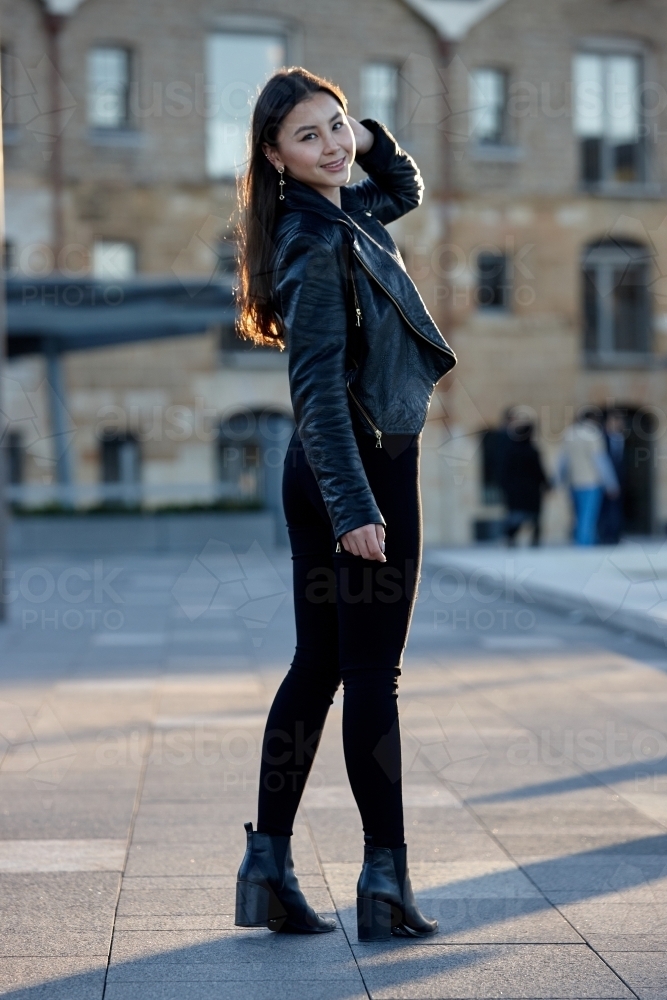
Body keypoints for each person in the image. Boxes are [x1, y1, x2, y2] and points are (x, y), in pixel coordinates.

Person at [232, 68, 456, 941]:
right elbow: (316, 388)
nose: (331, 147)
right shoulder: (310, 239)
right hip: (355, 470)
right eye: (308, 137)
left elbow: (403, 184)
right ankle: (384, 881)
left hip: (342, 473)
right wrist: (356, 506)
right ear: (273, 157)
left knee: (318, 670)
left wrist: (360, 133)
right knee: (368, 676)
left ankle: (268, 869)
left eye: (335, 129)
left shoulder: (343, 213)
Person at [557, 408, 619, 546]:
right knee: (588, 517)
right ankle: (584, 544)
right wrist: (611, 483)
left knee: (578, 516)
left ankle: (580, 541)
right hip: (591, 482)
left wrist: (559, 479)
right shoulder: (594, 435)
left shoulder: (570, 434)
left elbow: (562, 460)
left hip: (573, 482)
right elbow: (600, 461)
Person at [498, 418, 549, 546]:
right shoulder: (531, 451)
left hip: (516, 491)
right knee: (533, 517)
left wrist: (504, 486)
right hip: (531, 490)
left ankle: (511, 537)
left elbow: (503, 471)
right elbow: (539, 471)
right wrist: (547, 484)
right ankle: (534, 541)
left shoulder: (510, 451)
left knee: (516, 516)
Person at [597, 409, 626, 544]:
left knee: (616, 509)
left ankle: (615, 535)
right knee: (605, 510)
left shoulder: (620, 438)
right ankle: (605, 535)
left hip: (619, 480)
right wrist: (610, 483)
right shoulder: (601, 439)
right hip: (604, 481)